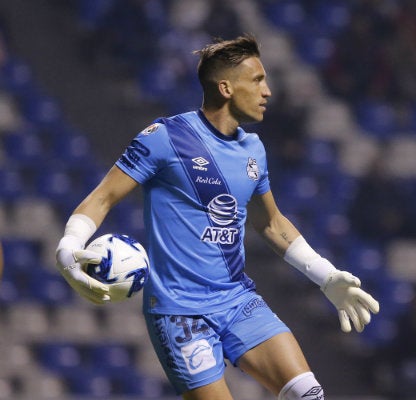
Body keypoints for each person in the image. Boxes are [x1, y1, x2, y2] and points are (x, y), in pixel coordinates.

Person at [55, 35, 379, 400]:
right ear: (226, 87)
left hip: (237, 300)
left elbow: (271, 223)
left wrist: (325, 276)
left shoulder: (253, 149)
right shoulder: (165, 137)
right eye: (257, 80)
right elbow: (103, 197)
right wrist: (68, 246)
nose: (268, 91)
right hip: (180, 314)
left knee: (309, 395)